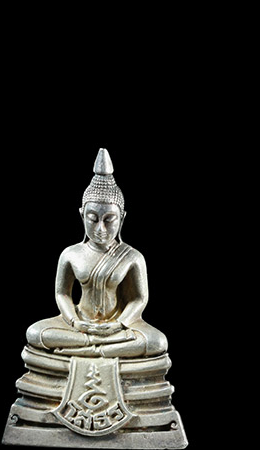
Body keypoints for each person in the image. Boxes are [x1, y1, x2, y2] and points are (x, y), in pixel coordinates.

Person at [26, 148, 167, 358]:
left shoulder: (132, 257)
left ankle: (88, 347)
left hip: (116, 326)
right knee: (35, 333)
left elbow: (139, 299)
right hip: (80, 324)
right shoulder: (71, 254)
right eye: (93, 219)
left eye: (109, 219)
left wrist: (119, 324)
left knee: (157, 342)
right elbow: (62, 294)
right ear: (82, 215)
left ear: (122, 218)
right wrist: (75, 321)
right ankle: (97, 347)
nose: (101, 228)